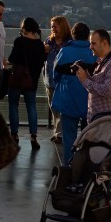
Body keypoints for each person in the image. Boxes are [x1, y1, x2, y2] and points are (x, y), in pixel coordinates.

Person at [52, 23, 96, 164]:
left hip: (68, 100)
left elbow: (55, 76)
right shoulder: (93, 52)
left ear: (73, 34)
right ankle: (85, 169)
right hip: (90, 103)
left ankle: (69, 168)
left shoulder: (64, 51)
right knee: (88, 138)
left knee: (69, 138)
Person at [7, 17, 46, 150]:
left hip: (17, 78)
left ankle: (14, 135)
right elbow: (41, 63)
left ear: (24, 28)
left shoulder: (19, 41)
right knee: (31, 107)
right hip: (32, 80)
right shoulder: (40, 45)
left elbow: (12, 58)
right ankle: (33, 136)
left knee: (13, 105)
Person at [76, 29, 111, 123]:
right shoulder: (101, 62)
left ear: (104, 43)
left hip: (107, 121)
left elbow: (106, 91)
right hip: (98, 119)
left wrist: (85, 80)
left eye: (93, 43)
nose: (90, 47)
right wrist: (84, 73)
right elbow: (97, 85)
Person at [44, 16, 71, 144]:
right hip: (49, 79)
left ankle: (61, 133)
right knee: (53, 107)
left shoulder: (69, 43)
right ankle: (58, 131)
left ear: (62, 27)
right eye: (52, 26)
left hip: (63, 81)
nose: (53, 29)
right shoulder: (49, 41)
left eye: (55, 26)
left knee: (63, 108)